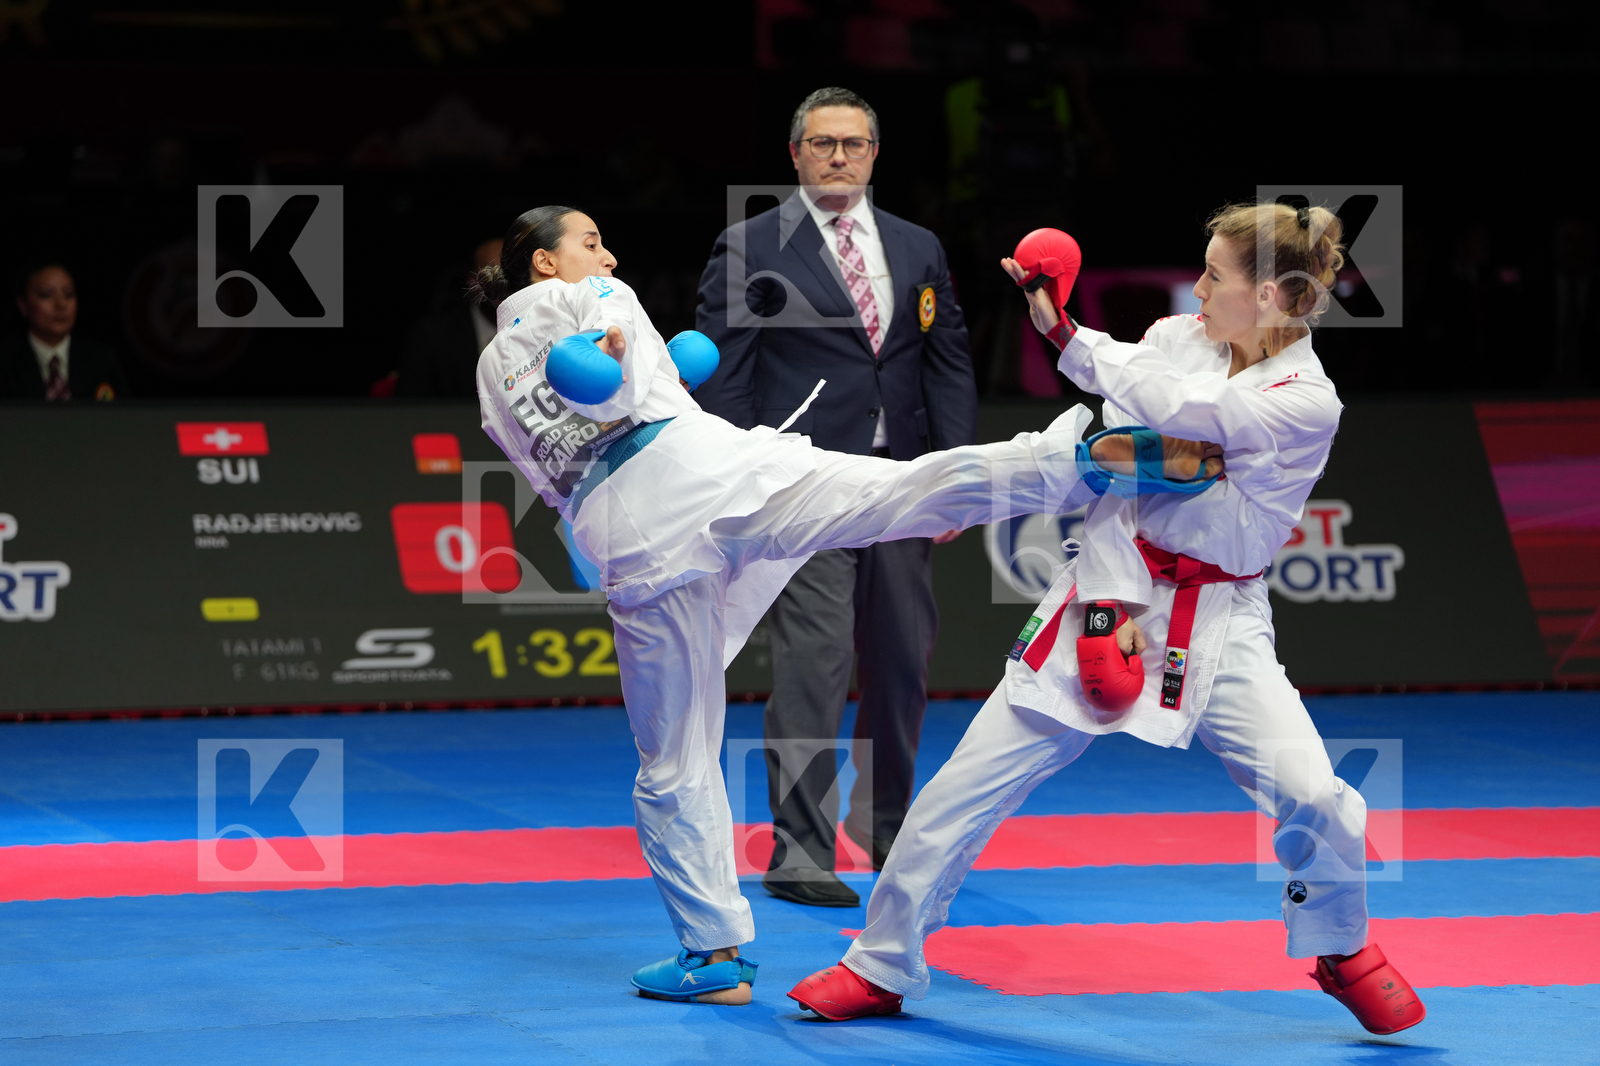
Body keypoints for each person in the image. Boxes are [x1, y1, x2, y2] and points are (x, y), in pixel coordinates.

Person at [472, 204, 1220, 1006]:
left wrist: (657, 373)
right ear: (546, 264)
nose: (610, 256)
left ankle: (712, 956)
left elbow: (559, 460)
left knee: (673, 757)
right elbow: (605, 374)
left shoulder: (489, 374)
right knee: (894, 494)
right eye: (590, 243)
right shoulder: (591, 300)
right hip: (702, 472)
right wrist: (626, 358)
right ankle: (1074, 464)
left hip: (624, 536)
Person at [790, 203, 1428, 1037]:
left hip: (1222, 617)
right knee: (957, 794)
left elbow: (1190, 414)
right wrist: (1108, 607)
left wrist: (1069, 339)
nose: (1196, 286)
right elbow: (1121, 472)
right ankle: (879, 964)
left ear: (1271, 295)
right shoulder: (1172, 340)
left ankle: (1339, 946)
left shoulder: (1306, 402)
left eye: (1215, 275)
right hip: (1108, 587)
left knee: (1322, 798)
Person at [695, 86, 976, 907]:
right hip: (805, 486)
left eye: (853, 144)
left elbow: (945, 357)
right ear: (795, 154)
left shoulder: (916, 245)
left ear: (875, 153)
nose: (839, 157)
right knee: (814, 665)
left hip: (901, 485)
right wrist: (745, 477)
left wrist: (954, 476)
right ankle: (800, 851)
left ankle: (890, 832)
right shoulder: (752, 244)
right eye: (822, 144)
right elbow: (727, 374)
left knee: (899, 665)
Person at [1, 264, 128, 401]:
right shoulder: (5, 361)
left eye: (68, 295)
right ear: (23, 305)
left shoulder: (102, 360)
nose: (61, 305)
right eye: (46, 295)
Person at [395, 238, 504, 396]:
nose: (504, 288)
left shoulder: (544, 330)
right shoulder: (431, 337)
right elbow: (411, 412)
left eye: (513, 276)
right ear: (472, 280)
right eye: (492, 276)